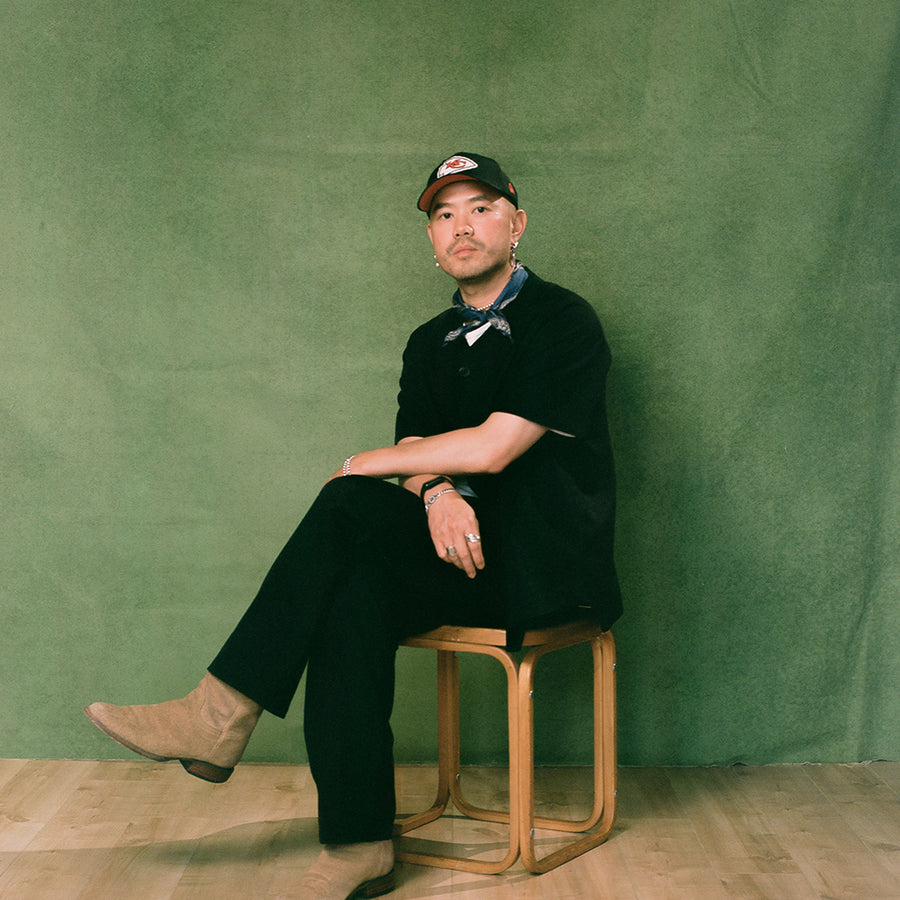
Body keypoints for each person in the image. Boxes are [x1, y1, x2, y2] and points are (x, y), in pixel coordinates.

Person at [84, 152, 622, 900]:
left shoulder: (563, 320)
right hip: (451, 553)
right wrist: (434, 492)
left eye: (480, 207)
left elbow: (496, 446)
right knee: (348, 597)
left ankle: (217, 714)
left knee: (345, 501)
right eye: (443, 214)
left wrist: (366, 461)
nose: (461, 226)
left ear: (517, 223)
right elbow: (414, 455)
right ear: (431, 239)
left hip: (541, 566)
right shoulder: (426, 339)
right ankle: (358, 842)